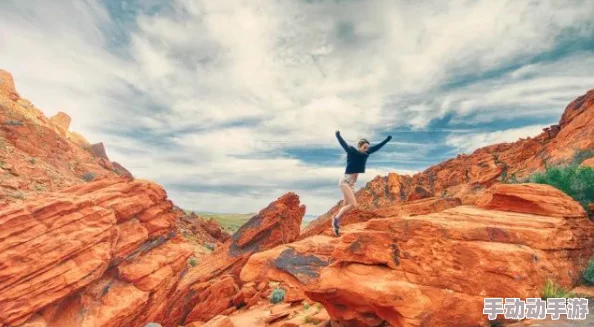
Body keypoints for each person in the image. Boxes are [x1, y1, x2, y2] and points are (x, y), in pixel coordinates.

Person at [332, 130, 392, 236]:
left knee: (345, 205)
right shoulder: (352, 151)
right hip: (345, 182)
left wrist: (386, 140)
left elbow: (377, 147)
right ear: (359, 147)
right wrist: (338, 136)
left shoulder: (366, 153)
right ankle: (336, 220)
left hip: (351, 184)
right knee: (353, 204)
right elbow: (344, 145)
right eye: (364, 147)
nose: (366, 150)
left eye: (367, 148)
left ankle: (335, 223)